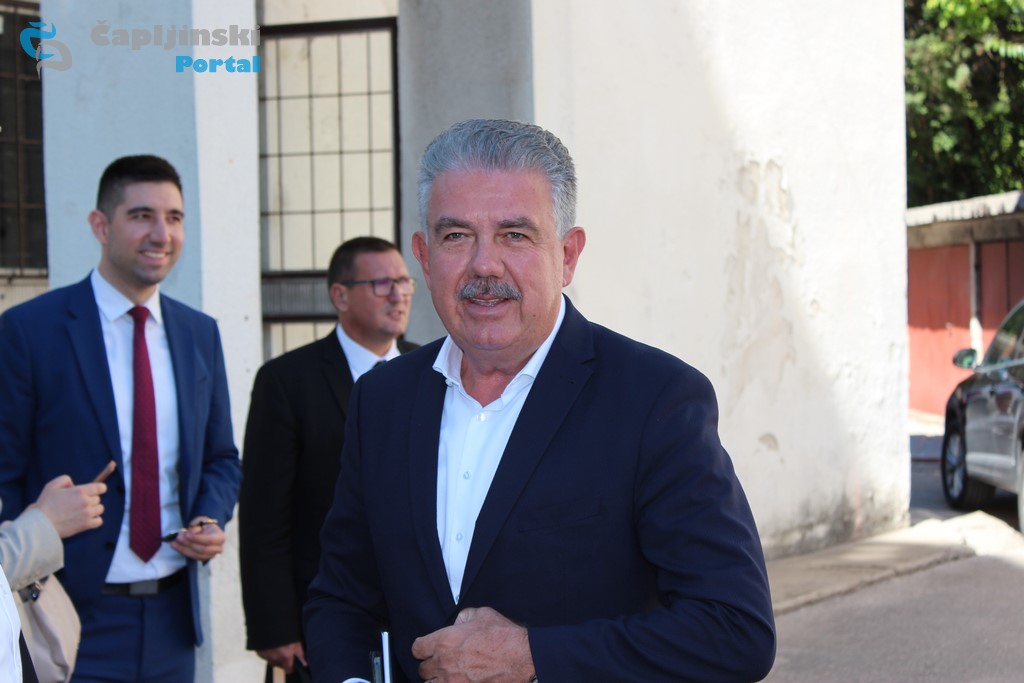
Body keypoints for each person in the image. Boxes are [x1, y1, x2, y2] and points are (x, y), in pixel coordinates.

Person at [303, 119, 776, 682]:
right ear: (425, 258)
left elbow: (735, 630)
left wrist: (532, 657)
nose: (484, 264)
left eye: (515, 235)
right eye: (456, 236)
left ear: (568, 255)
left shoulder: (654, 399)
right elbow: (341, 599)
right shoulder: (382, 400)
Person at [0, 154, 242, 682]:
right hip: (65, 616)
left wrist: (210, 516)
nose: (161, 234)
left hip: (174, 619)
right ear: (100, 225)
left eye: (174, 218)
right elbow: (5, 471)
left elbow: (222, 457)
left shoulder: (199, 333)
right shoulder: (29, 330)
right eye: (141, 216)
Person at [239, 236, 418, 681]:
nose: (398, 295)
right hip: (324, 612)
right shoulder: (287, 380)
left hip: (417, 612)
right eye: (381, 284)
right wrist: (275, 627)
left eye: (404, 282)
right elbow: (264, 516)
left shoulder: (432, 370)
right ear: (340, 295)